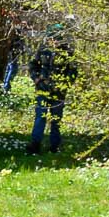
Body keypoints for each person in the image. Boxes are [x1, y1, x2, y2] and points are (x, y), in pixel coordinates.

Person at [27, 24, 72, 154]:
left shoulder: (67, 53)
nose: (53, 41)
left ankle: (54, 146)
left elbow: (72, 72)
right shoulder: (43, 50)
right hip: (42, 89)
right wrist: (36, 79)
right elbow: (33, 65)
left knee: (56, 119)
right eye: (51, 38)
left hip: (59, 92)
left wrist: (65, 84)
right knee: (40, 117)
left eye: (56, 38)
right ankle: (35, 144)